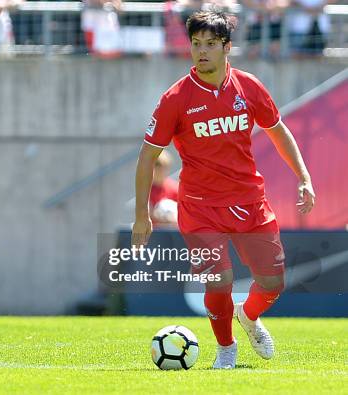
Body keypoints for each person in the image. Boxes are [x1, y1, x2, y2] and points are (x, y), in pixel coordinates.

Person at [132, 11, 315, 369]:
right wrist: (142, 216)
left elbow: (278, 132)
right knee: (219, 284)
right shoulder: (175, 98)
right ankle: (226, 349)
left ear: (227, 47)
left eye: (211, 44)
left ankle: (248, 317)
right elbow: (146, 158)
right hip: (200, 207)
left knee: (272, 282)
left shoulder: (248, 87)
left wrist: (304, 176)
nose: (202, 52)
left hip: (250, 200)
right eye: (196, 44)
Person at [149, 151, 179, 228]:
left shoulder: (175, 188)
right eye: (156, 168)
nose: (160, 172)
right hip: (154, 233)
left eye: (162, 168)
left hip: (173, 232)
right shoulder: (146, 190)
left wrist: (173, 218)